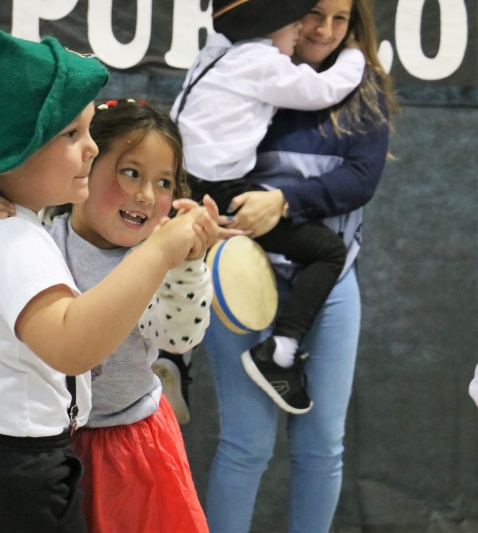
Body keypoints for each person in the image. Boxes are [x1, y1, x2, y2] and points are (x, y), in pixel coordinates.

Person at [0, 9, 217, 533]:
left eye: (89, 131)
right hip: (6, 461)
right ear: (14, 148)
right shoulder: (17, 237)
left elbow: (178, 333)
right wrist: (158, 254)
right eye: (73, 133)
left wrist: (181, 266)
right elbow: (72, 345)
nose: (89, 149)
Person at [200, 0, 399, 530]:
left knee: (323, 448)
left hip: (329, 284)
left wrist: (282, 202)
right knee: (245, 447)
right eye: (314, 13)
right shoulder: (248, 65)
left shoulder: (365, 88)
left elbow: (361, 181)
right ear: (285, 11)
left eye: (342, 19)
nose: (326, 30)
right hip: (244, 278)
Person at [170, 0, 367, 414]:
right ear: (270, 26)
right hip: (222, 189)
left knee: (186, 261)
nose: (301, 32)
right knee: (328, 251)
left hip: (180, 178)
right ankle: (280, 352)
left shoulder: (216, 53)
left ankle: (172, 356)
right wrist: (354, 55)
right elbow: (324, 91)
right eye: (294, 22)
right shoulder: (261, 62)